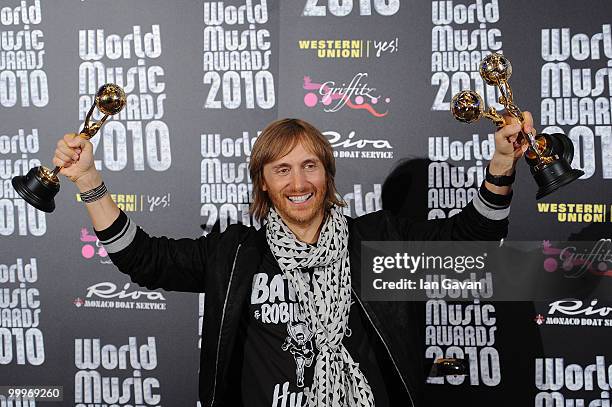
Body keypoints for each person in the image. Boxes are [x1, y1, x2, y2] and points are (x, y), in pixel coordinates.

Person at [53, 114, 532, 407]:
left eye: (310, 165)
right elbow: (144, 258)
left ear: (327, 173)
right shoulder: (237, 253)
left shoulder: (376, 242)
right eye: (281, 169)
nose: (298, 182)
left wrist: (503, 164)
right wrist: (89, 179)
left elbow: (473, 245)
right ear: (264, 182)